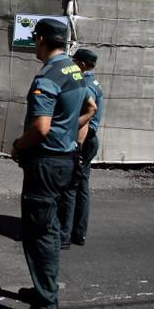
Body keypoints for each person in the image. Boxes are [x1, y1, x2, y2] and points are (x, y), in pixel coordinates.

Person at [11, 19, 96, 309]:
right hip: (66, 159)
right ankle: (43, 291)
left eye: (35, 38)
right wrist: (70, 130)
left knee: (40, 233)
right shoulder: (74, 70)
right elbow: (89, 108)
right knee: (50, 227)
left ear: (41, 40)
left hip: (46, 164)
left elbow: (40, 128)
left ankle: (47, 300)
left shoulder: (47, 76)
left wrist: (18, 146)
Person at [59, 48, 104, 249]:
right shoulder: (93, 82)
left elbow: (87, 115)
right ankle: (78, 233)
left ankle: (65, 235)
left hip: (83, 139)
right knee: (81, 185)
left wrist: (76, 145)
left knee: (72, 186)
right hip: (89, 140)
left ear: (83, 64)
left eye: (75, 61)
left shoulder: (85, 85)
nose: (72, 64)